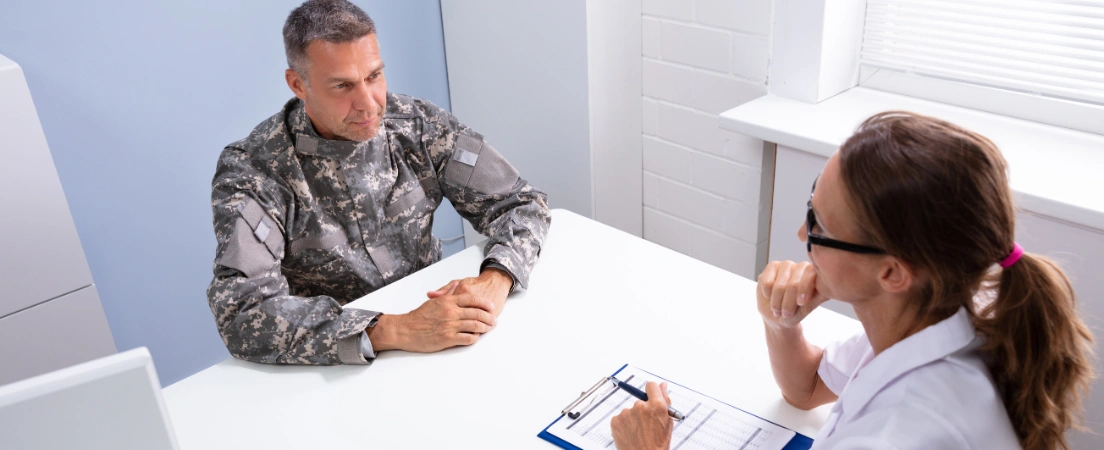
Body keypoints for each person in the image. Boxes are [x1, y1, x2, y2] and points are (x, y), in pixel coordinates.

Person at [611, 111, 1094, 449]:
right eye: (810, 207)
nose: (801, 233)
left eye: (819, 225)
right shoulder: (932, 318)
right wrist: (782, 322)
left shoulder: (900, 435)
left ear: (892, 272)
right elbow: (805, 390)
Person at [206, 0, 550, 366]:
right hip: (338, 366)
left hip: (444, 332)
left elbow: (521, 203)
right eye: (342, 86)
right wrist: (396, 330)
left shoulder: (417, 124)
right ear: (298, 84)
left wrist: (496, 280)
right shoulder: (255, 169)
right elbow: (242, 310)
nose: (368, 104)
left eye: (374, 76)